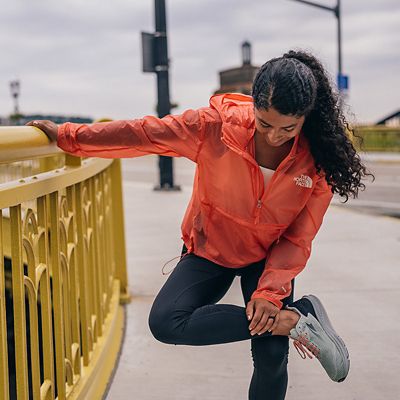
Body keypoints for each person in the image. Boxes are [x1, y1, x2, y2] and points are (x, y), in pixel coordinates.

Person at [27, 49, 374, 400]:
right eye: (264, 123)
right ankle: (294, 321)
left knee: (271, 358)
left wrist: (270, 293)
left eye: (288, 128)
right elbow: (143, 134)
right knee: (166, 322)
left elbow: (300, 236)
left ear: (305, 118)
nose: (273, 137)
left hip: (270, 258)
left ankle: (284, 320)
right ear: (253, 106)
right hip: (213, 249)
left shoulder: (319, 159)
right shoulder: (215, 128)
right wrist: (68, 136)